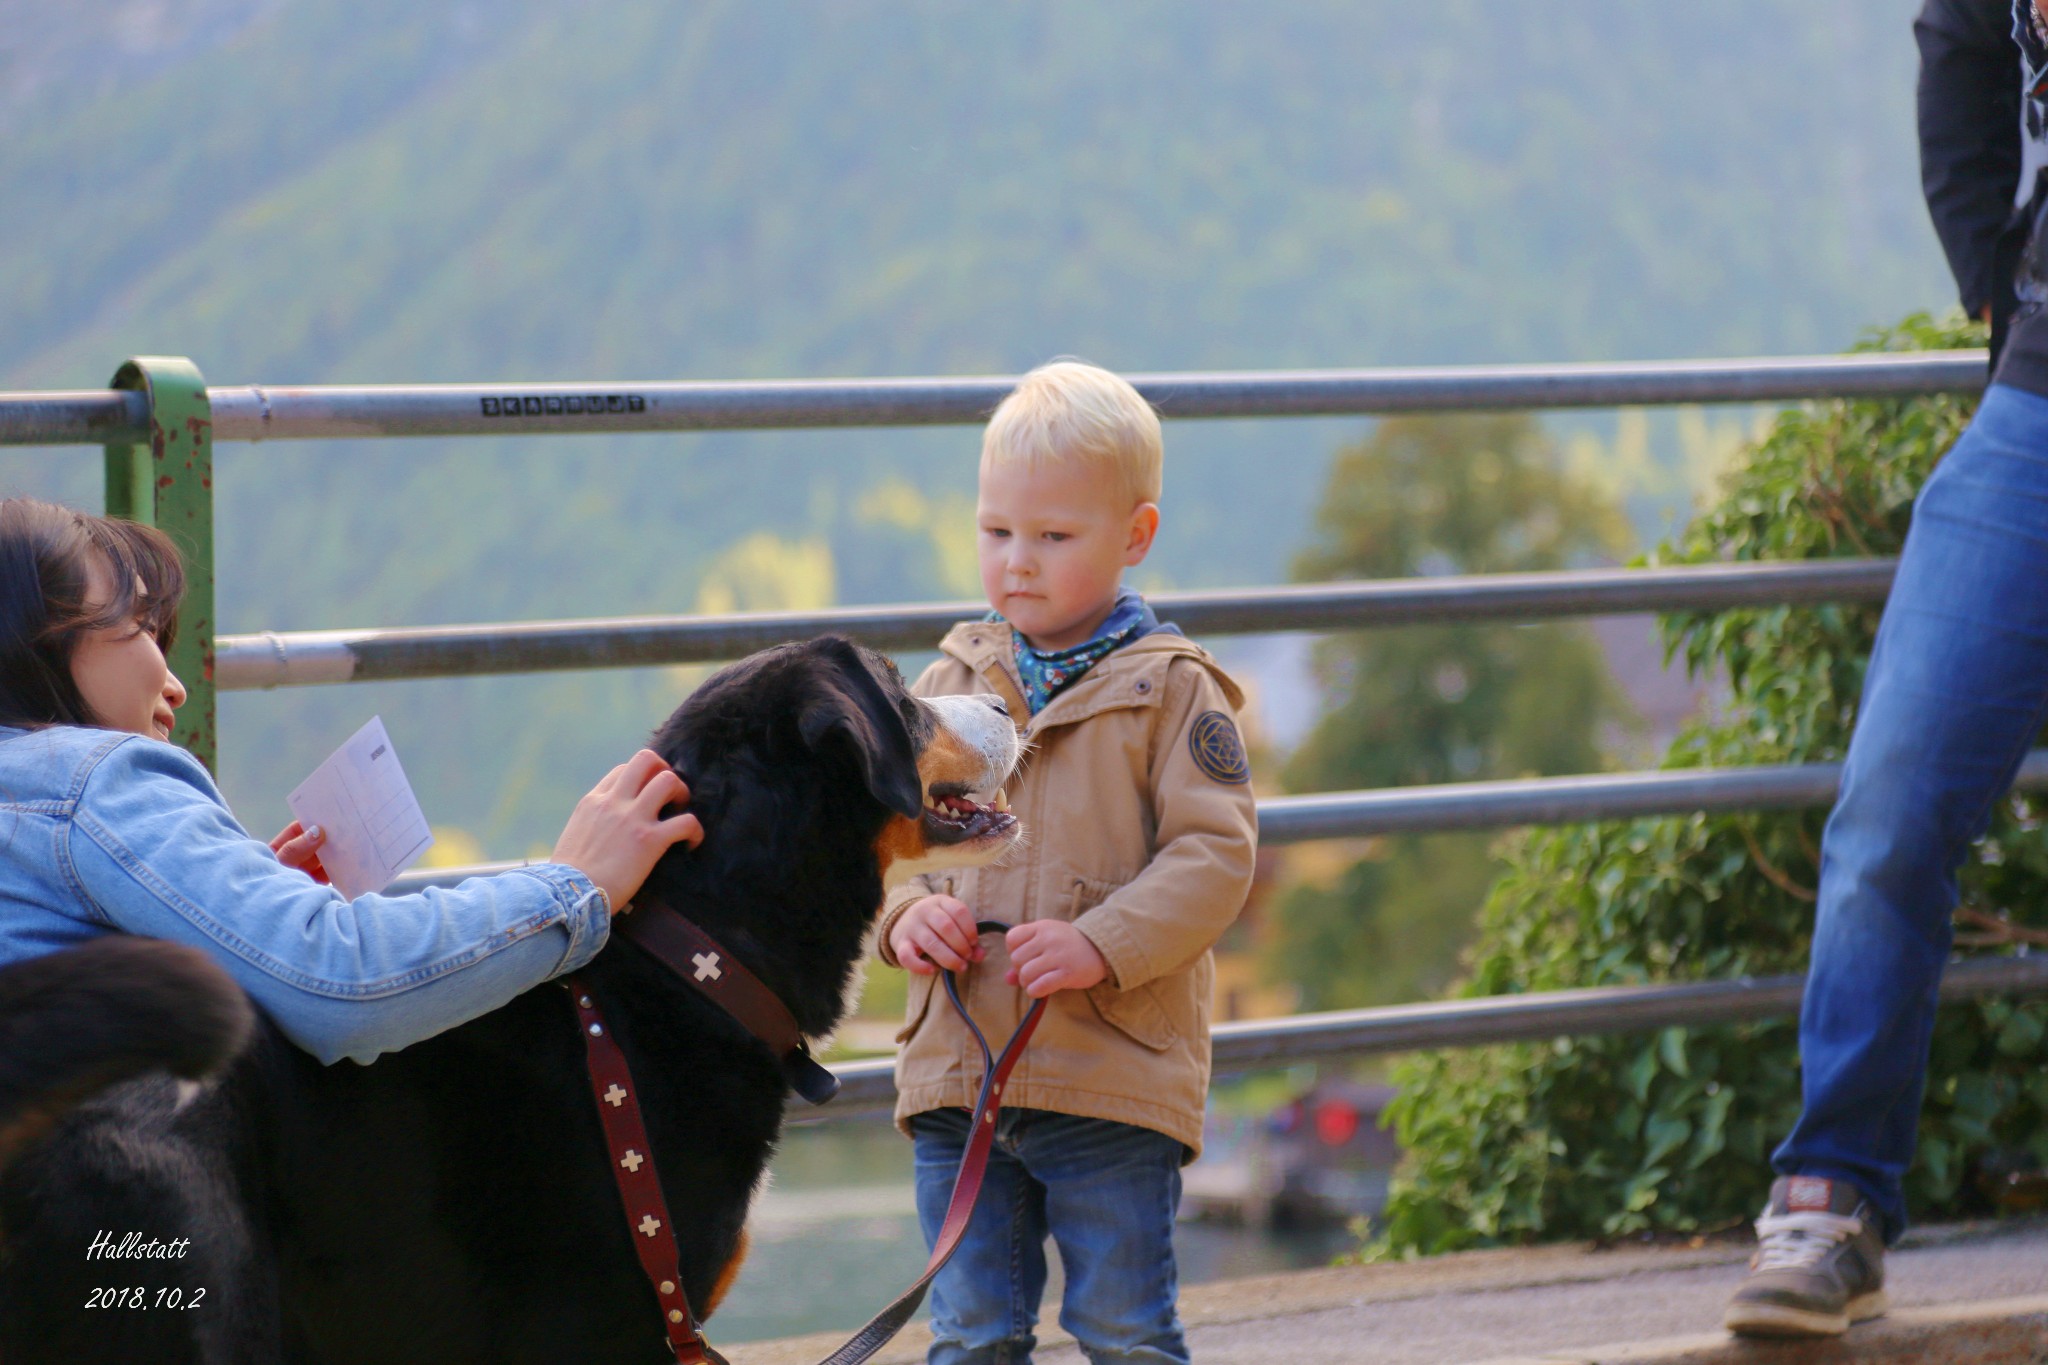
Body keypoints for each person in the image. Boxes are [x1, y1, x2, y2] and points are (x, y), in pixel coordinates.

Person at [1721, 0, 2048, 1338]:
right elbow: (1958, 45)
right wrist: (2000, 284)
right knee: (1894, 804)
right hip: (2037, 406)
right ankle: (1831, 1198)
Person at [0, 496, 703, 1066]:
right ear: (42, 639)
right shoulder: (95, 779)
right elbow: (340, 981)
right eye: (145, 627)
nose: (176, 685)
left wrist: (226, 915)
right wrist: (576, 883)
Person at [875, 361, 1258, 1365]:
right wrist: (906, 915)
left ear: (1134, 537)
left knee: (1124, 1330)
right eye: (997, 532)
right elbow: (888, 844)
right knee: (969, 1333)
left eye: (1053, 537)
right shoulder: (946, 684)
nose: (1018, 562)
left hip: (1109, 1075)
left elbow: (1213, 857)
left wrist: (1102, 942)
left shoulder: (1172, 693)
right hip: (961, 1076)